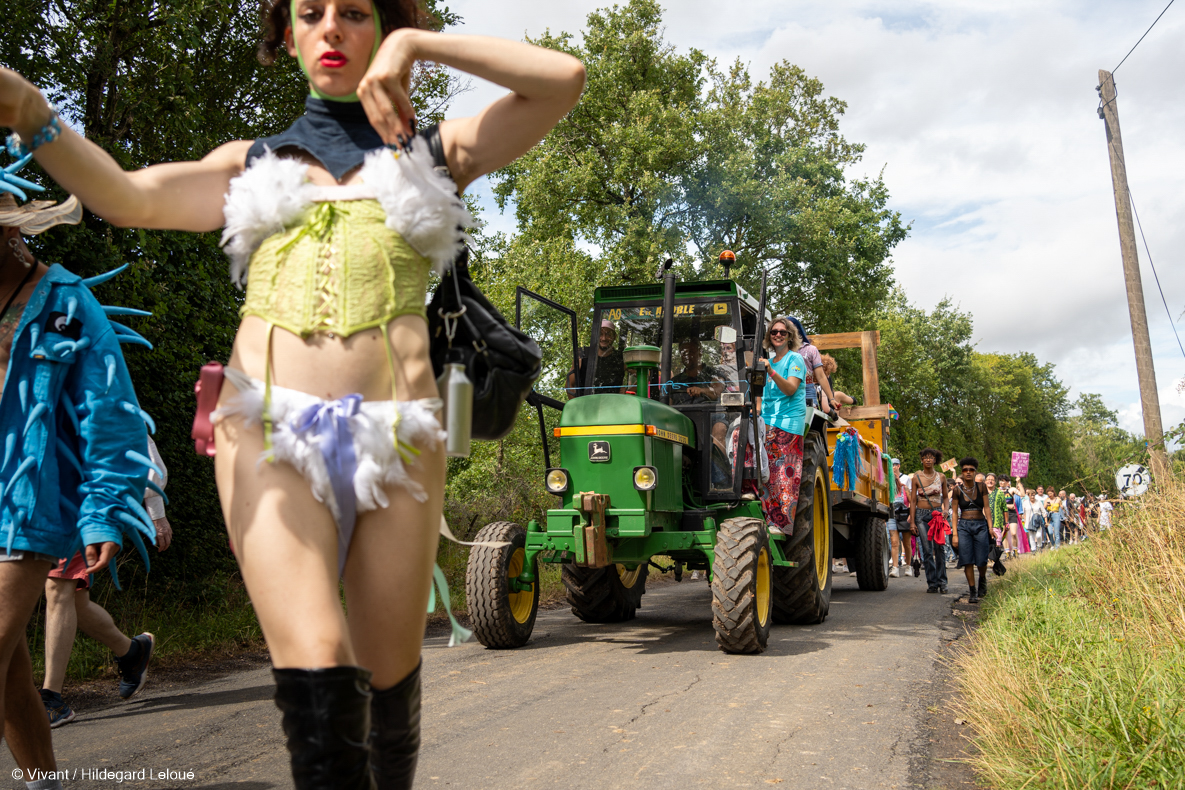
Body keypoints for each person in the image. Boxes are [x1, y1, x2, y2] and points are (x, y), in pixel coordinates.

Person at [1, 5, 586, 787]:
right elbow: (128, 197)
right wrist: (36, 115)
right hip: (266, 438)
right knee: (315, 664)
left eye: (356, 13)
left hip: (402, 440)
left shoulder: (436, 153)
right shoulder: (250, 165)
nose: (332, 28)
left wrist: (419, 43)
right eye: (311, 12)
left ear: (381, 29)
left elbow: (562, 80)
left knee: (387, 686)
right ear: (286, 34)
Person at [0, 182, 152, 790]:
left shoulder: (64, 302)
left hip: (25, 507)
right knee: (10, 671)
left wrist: (102, 510)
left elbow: (110, 415)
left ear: (10, 228)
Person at [39, 437, 171, 727]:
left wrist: (157, 514)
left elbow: (143, 452)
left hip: (79, 508)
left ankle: (51, 699)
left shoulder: (93, 391)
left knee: (58, 589)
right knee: (75, 602)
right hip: (34, 505)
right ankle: (132, 652)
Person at [759, 318, 807, 537]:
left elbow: (789, 389)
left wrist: (770, 371)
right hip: (767, 423)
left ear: (790, 336)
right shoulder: (767, 361)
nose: (777, 335)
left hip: (788, 424)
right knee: (765, 474)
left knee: (783, 475)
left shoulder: (795, 359)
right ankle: (766, 519)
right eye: (774, 332)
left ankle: (781, 525)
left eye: (782, 332)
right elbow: (763, 398)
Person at [951, 458, 992, 603]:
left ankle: (982, 579)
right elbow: (955, 513)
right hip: (964, 526)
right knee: (967, 560)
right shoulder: (957, 490)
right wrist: (955, 534)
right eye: (965, 470)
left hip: (981, 525)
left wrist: (991, 527)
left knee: (982, 560)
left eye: (971, 470)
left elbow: (986, 508)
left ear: (975, 472)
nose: (968, 472)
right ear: (961, 473)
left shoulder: (982, 487)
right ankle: (972, 591)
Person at [909, 448, 949, 594]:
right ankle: (932, 583)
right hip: (921, 515)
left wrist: (945, 509)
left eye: (931, 457)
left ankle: (942, 582)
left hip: (937, 515)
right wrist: (912, 522)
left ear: (935, 460)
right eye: (925, 457)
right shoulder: (916, 477)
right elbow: (913, 501)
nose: (927, 459)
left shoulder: (942, 477)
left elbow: (945, 497)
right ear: (921, 460)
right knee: (926, 549)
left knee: (939, 549)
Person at [785, 316, 833, 412]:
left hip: (806, 390)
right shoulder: (780, 350)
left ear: (797, 329)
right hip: (786, 390)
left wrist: (831, 398)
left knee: (807, 421)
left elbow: (821, 376)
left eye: (790, 326)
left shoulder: (810, 349)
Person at [566, 319, 624, 396]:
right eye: (600, 334)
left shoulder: (620, 359)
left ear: (615, 337)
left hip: (612, 406)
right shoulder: (583, 357)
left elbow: (643, 376)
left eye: (608, 334)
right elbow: (569, 385)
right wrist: (578, 406)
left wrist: (628, 391)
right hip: (588, 405)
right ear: (595, 336)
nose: (604, 338)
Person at [670, 338, 724, 404]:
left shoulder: (713, 374)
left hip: (707, 413)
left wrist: (701, 391)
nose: (687, 356)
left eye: (691, 352)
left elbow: (717, 391)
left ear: (700, 353)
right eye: (684, 353)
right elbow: (666, 408)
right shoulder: (674, 382)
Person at [888, 458, 914, 578]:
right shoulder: (888, 490)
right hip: (892, 516)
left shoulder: (905, 487)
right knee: (894, 542)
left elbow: (911, 502)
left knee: (907, 543)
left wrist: (911, 515)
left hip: (904, 515)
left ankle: (908, 566)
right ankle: (895, 567)